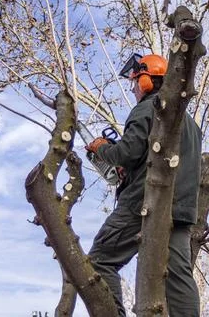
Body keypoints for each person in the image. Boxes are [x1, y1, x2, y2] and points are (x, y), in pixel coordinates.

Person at [85, 54, 202, 317]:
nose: (134, 88)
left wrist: (103, 149)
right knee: (178, 276)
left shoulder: (149, 107)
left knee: (98, 261)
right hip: (180, 210)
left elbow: (125, 153)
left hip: (143, 203)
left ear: (147, 81)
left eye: (135, 82)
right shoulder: (192, 124)